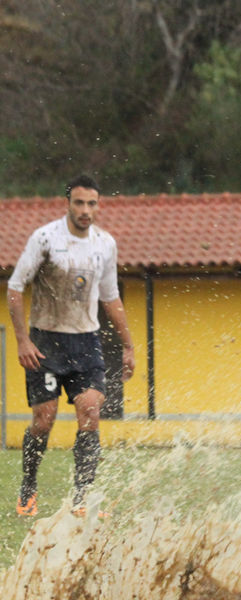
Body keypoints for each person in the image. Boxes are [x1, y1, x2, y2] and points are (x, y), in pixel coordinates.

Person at [7, 174, 135, 518]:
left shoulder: (105, 244)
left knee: (91, 412)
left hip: (86, 342)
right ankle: (28, 487)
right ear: (68, 203)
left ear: (99, 206)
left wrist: (128, 345)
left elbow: (111, 297)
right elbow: (16, 288)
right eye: (79, 202)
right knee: (44, 420)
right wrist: (22, 340)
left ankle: (81, 498)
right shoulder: (46, 238)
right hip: (45, 341)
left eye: (91, 203)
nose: (85, 210)